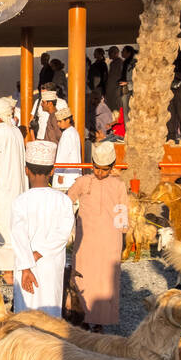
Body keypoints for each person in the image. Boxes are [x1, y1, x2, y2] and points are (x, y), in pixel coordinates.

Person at [67, 140, 129, 330]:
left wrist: (124, 237)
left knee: (105, 282)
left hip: (110, 241)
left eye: (104, 169)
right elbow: (65, 201)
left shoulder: (119, 185)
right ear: (92, 164)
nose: (100, 173)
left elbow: (122, 213)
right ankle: (83, 319)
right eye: (97, 168)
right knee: (83, 279)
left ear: (112, 167)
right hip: (86, 242)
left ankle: (101, 323)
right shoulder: (83, 181)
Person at [10, 139, 75, 315]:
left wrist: (26, 266)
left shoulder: (20, 201)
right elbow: (62, 234)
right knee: (50, 311)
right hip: (50, 265)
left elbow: (18, 236)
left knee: (26, 313)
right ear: (52, 171)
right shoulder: (63, 200)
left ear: (26, 170)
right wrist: (37, 255)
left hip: (25, 267)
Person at [0, 96, 26, 282]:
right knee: (13, 226)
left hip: (2, 185)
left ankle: (8, 272)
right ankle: (11, 269)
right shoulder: (15, 131)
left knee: (2, 226)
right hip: (16, 186)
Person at [52, 103, 82, 193]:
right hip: (73, 174)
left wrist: (60, 174)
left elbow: (63, 155)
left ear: (68, 120)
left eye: (60, 121)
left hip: (66, 177)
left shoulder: (67, 134)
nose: (58, 124)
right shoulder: (74, 132)